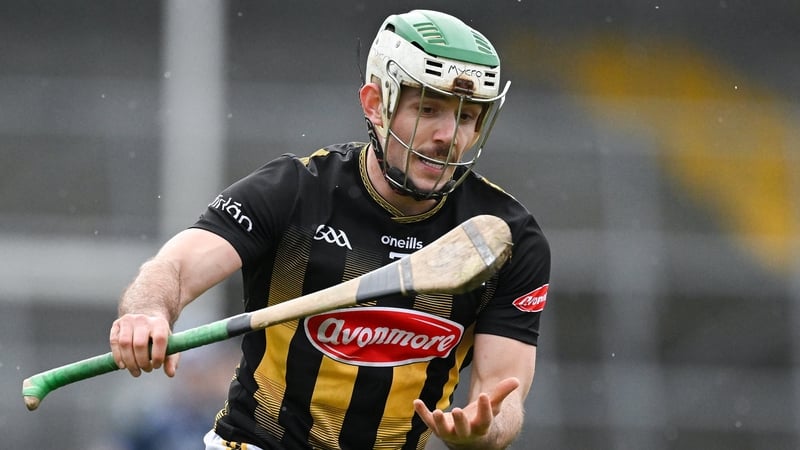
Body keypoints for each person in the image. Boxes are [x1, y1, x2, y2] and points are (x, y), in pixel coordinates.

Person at [109, 9, 550, 450]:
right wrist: (148, 312)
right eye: (428, 109)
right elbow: (176, 267)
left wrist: (483, 433)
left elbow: (503, 398)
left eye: (467, 117)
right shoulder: (294, 191)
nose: (448, 136)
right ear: (376, 104)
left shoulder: (506, 238)